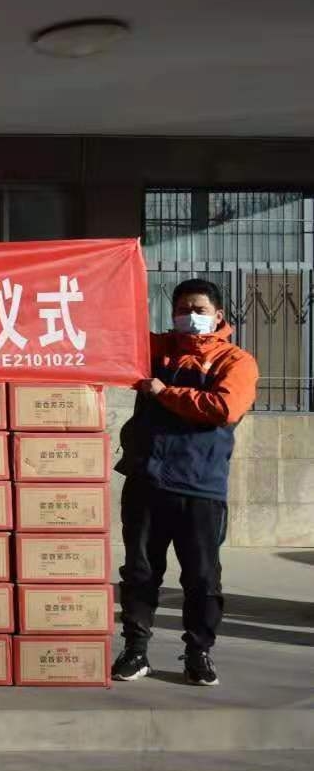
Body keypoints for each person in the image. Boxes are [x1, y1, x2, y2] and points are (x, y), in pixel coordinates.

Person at [113, 279, 258, 687]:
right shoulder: (158, 351)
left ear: (218, 315)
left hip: (200, 487)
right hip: (147, 482)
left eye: (198, 309)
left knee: (202, 578)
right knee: (140, 572)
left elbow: (224, 408)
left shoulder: (235, 361)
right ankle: (135, 650)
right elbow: (115, 339)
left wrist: (165, 392)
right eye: (182, 309)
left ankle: (198, 654)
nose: (189, 316)